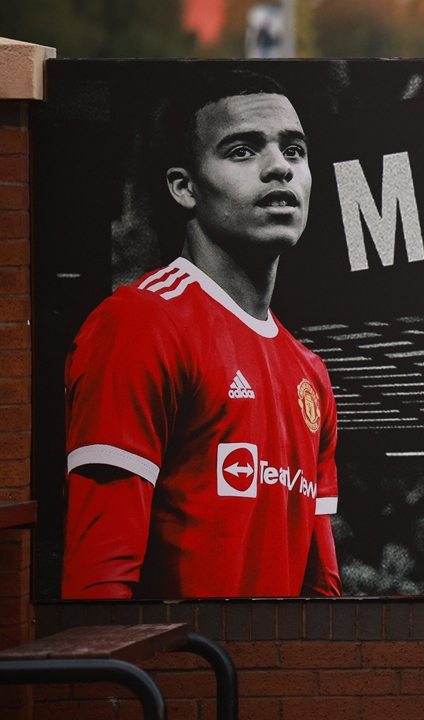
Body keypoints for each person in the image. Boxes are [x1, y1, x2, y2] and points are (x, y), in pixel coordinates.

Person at [60, 72, 342, 599]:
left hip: (275, 678)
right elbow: (98, 585)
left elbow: (322, 593)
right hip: (177, 679)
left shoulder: (311, 375)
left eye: (295, 150)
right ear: (184, 187)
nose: (280, 166)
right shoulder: (140, 324)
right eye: (241, 151)